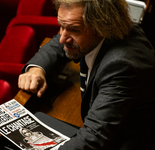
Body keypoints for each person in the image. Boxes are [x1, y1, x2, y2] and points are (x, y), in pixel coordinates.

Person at [18, 0, 155, 149]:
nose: (63, 37)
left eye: (74, 30)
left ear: (101, 26)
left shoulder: (123, 65)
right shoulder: (108, 28)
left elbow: (94, 137)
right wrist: (37, 69)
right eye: (61, 26)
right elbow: (60, 41)